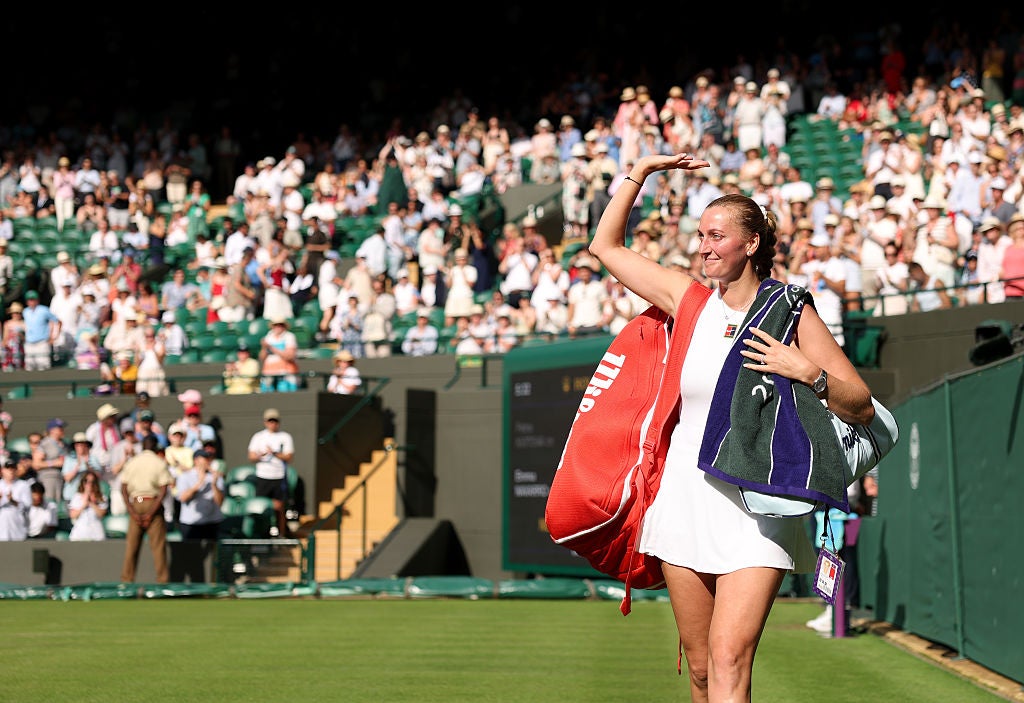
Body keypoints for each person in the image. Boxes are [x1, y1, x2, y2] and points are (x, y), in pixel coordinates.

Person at [588, 152, 874, 701]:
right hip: (684, 499)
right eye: (700, 236)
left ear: (750, 244)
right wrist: (642, 172)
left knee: (728, 658)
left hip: (759, 510)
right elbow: (606, 247)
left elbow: (860, 404)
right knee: (699, 668)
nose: (704, 247)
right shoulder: (689, 300)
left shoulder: (791, 310)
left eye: (717, 236)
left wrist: (806, 371)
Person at [119, 434, 172, 583]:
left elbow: (123, 488)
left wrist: (132, 511)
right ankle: (162, 582)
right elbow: (163, 489)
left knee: (131, 547)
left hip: (135, 503)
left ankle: (126, 582)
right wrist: (150, 513)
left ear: (142, 446)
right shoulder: (159, 463)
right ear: (155, 447)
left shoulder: (132, 462)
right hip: (152, 503)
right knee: (158, 547)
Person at [247, 407, 294, 538]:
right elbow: (251, 456)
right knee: (261, 508)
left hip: (279, 477)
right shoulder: (258, 437)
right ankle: (261, 535)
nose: (272, 424)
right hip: (263, 477)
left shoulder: (285, 437)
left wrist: (274, 453)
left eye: (275, 421)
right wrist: (261, 455)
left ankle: (281, 535)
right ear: (265, 422)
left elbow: (289, 457)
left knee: (280, 508)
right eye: (270, 421)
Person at [174, 448, 225, 541]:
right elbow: (183, 498)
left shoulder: (216, 477)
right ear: (196, 460)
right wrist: (199, 483)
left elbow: (220, 502)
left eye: (209, 458)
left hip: (212, 522)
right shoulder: (185, 476)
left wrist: (214, 485)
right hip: (191, 522)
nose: (207, 461)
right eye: (204, 458)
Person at [67, 468, 109, 541]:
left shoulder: (102, 497)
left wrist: (91, 503)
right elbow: (73, 515)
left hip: (96, 533)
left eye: (92, 481)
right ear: (83, 482)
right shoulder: (76, 497)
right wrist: (84, 505)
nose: (89, 484)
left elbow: (101, 514)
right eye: (86, 481)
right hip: (79, 533)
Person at [0, 455, 32, 541]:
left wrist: (13, 501)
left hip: (18, 526)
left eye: (13, 468)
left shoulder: (23, 485)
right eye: (8, 468)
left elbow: (27, 506)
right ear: (2, 470)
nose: (11, 471)